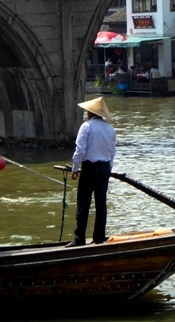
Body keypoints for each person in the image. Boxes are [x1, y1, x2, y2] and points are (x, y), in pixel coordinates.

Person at [69, 97, 117, 247]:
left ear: (90, 113)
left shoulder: (87, 126)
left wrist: (75, 169)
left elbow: (80, 150)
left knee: (83, 203)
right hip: (104, 168)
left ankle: (79, 238)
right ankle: (99, 237)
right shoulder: (110, 128)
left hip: (90, 168)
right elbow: (112, 152)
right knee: (101, 203)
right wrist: (108, 168)